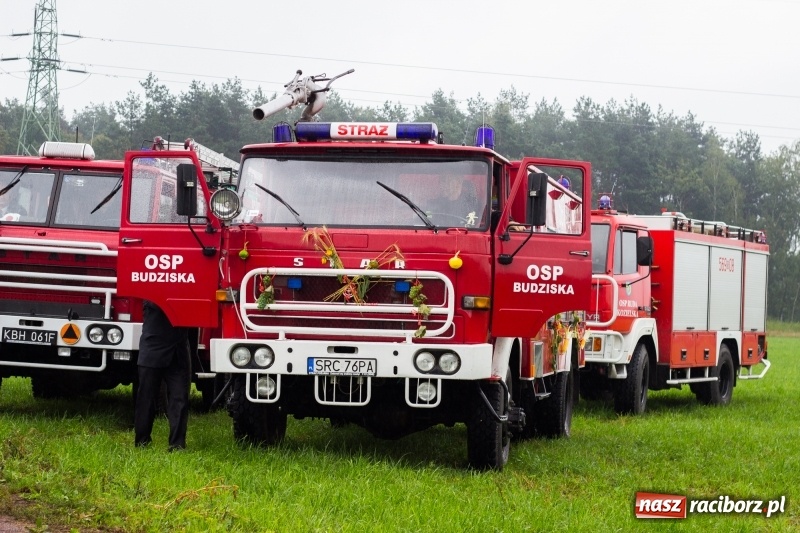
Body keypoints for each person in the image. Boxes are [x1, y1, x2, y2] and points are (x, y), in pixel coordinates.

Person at [134, 300, 192, 451]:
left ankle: (177, 445)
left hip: (178, 350)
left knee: (180, 398)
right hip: (153, 347)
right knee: (146, 398)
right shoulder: (152, 285)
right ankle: (142, 441)